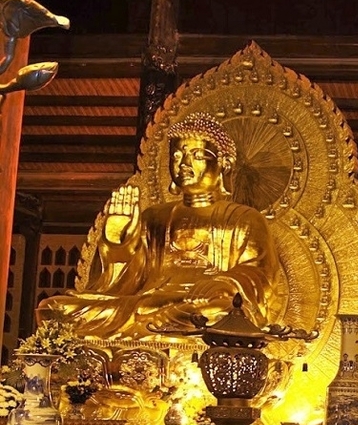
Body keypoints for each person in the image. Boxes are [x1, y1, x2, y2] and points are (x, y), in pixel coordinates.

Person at [39, 113, 279, 339]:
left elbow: (260, 275)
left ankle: (153, 326)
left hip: (202, 305)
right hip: (145, 302)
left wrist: (225, 282)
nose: (184, 164)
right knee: (54, 309)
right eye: (177, 156)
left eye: (197, 155)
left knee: (220, 313)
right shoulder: (154, 217)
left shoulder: (245, 218)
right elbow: (125, 281)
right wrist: (117, 240)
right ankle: (156, 325)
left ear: (225, 165)